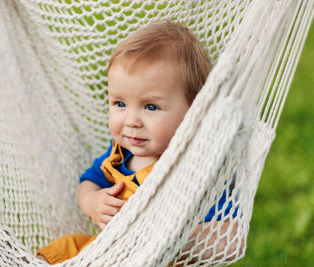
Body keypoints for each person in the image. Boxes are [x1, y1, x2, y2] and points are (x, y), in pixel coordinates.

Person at [36, 20, 237, 264]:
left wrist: (174, 237)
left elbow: (232, 239)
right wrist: (93, 202)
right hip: (106, 255)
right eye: (120, 104)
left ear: (194, 112)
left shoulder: (198, 169)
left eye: (151, 107)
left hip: (159, 261)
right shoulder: (119, 155)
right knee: (66, 247)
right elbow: (89, 182)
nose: (131, 120)